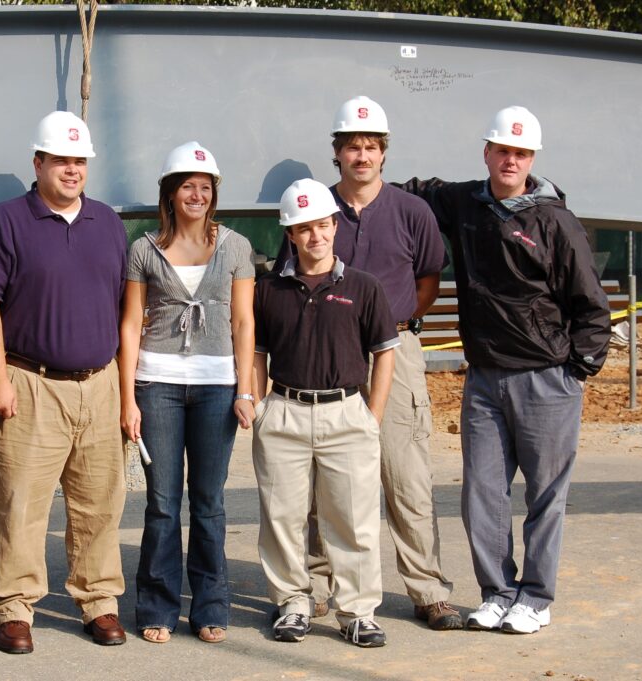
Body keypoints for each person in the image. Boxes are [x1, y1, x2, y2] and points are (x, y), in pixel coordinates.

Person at [400, 106, 610, 634]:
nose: (509, 160)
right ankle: (497, 592)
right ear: (487, 152)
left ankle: (535, 598)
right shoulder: (466, 203)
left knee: (544, 495)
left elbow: (592, 305)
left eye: (520, 153)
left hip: (546, 378)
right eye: (502, 151)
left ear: (531, 158)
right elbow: (415, 190)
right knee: (482, 495)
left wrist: (576, 369)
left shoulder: (555, 221)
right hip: (485, 378)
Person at [276, 96, 459, 630]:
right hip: (326, 355)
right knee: (320, 479)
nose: (362, 154)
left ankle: (427, 589)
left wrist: (396, 325)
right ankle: (317, 587)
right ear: (338, 152)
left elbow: (429, 278)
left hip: (395, 351)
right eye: (352, 145)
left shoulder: (411, 211)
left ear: (384, 153)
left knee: (406, 475)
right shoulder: (316, 206)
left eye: (372, 146)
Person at [0, 110, 128, 653]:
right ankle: (14, 607)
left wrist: (124, 392)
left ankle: (98, 600)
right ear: (38, 163)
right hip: (28, 381)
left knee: (100, 501)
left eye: (79, 161)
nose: (71, 169)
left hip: (99, 383)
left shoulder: (107, 222)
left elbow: (122, 308)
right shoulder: (4, 221)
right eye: (60, 159)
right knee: (21, 502)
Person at [119, 141, 255, 645]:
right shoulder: (144, 249)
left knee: (209, 501)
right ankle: (156, 604)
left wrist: (246, 388)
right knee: (161, 502)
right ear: (170, 194)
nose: (196, 195)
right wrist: (127, 397)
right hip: (157, 384)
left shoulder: (235, 247)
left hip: (218, 386)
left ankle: (211, 606)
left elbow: (244, 321)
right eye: (186, 187)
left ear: (213, 194)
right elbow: (131, 323)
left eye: (204, 187)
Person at [253, 178, 397, 648]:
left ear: (335, 226)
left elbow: (385, 351)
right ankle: (293, 602)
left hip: (346, 415)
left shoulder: (364, 287)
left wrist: (371, 414)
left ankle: (356, 612)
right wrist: (259, 407)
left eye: (322, 225)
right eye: (303, 229)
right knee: (283, 517)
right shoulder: (268, 290)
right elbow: (256, 352)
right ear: (290, 235)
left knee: (352, 520)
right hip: (286, 412)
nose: (315, 236)